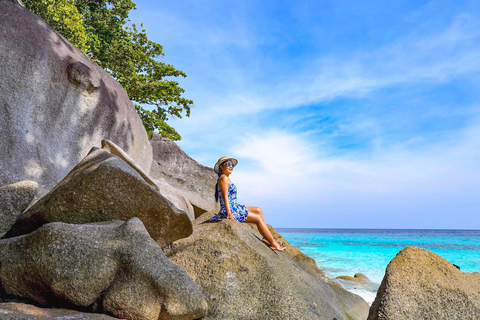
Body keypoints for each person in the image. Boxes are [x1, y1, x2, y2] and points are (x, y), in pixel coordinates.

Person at [211, 156, 286, 251]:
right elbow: (225, 196)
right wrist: (229, 214)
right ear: (221, 167)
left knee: (258, 209)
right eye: (228, 164)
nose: (231, 166)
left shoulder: (226, 178)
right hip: (231, 209)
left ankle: (265, 236)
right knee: (258, 219)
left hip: (235, 206)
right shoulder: (223, 179)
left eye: (232, 165)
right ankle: (273, 243)